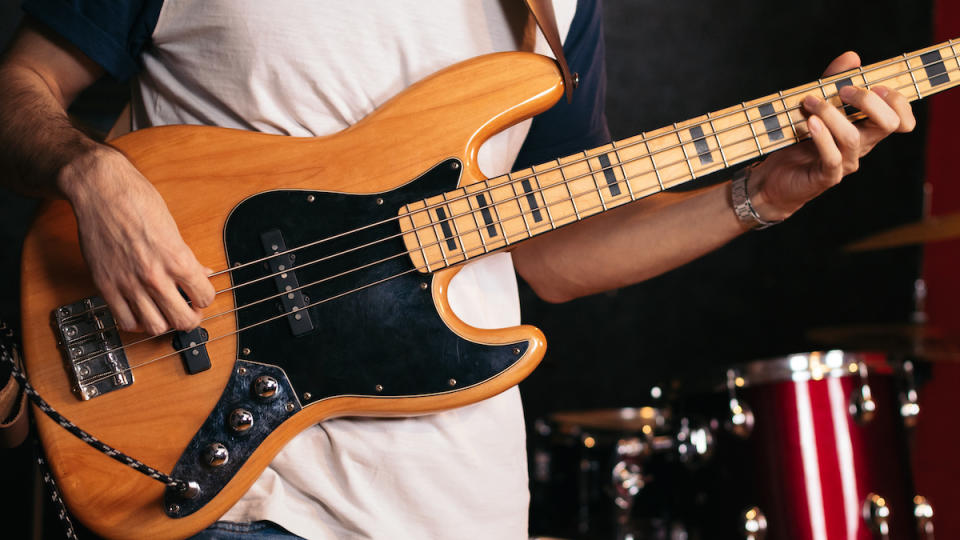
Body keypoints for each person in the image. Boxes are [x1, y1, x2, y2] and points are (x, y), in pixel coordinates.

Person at [0, 1, 915, 538]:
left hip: (454, 503)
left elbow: (551, 256)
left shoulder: (551, 6)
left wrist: (760, 195)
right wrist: (90, 173)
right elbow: (18, 90)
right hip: (234, 472)